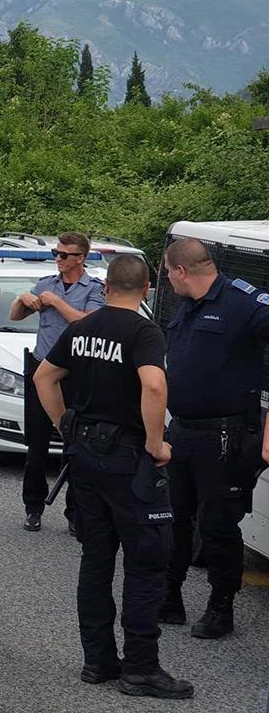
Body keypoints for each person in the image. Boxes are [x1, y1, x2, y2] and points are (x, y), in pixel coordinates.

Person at [34, 255, 194, 700]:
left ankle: (98, 660)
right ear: (146, 290)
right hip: (128, 460)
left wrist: (64, 425)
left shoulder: (83, 327)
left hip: (85, 457)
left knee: (96, 559)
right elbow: (154, 385)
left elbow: (44, 377)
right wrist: (156, 444)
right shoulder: (144, 332)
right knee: (146, 562)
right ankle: (140, 669)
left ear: (105, 289)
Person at [158, 238, 269, 639]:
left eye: (168, 273)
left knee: (218, 525)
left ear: (181, 270)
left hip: (225, 436)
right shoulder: (188, 305)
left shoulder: (242, 303)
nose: (168, 281)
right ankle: (169, 597)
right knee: (173, 517)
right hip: (183, 430)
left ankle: (221, 608)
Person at [9, 232, 106, 533]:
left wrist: (57, 302)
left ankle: (75, 513)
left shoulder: (94, 289)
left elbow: (89, 323)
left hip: (77, 374)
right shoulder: (45, 284)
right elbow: (15, 316)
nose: (58, 259)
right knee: (36, 446)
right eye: (56, 253)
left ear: (81, 258)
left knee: (76, 445)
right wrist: (22, 299)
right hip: (42, 372)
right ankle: (33, 508)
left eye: (65, 255)